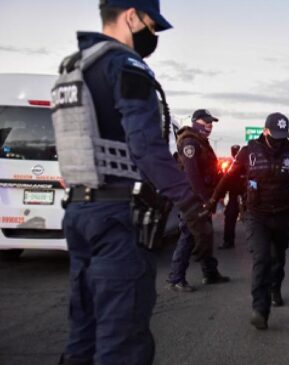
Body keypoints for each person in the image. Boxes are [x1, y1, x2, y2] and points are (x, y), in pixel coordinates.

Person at [52, 2, 213, 364]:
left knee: (84, 332)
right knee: (123, 339)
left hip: (78, 211)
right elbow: (146, 146)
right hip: (116, 216)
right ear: (131, 16)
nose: (152, 36)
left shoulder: (73, 67)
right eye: (151, 26)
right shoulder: (125, 66)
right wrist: (189, 206)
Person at [210, 113, 289, 330]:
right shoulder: (248, 152)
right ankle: (260, 309)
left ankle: (275, 289)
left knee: (277, 258)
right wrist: (213, 200)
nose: (279, 140)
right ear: (265, 131)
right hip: (257, 214)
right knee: (261, 259)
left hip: (284, 214)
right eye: (275, 135)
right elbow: (229, 178)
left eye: (283, 136)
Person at [167, 109, 229, 292]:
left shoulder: (201, 142)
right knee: (189, 235)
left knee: (205, 235)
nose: (209, 126)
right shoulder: (189, 142)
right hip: (192, 198)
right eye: (206, 122)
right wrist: (204, 199)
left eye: (211, 123)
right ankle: (175, 278)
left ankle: (210, 273)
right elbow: (192, 175)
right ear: (196, 122)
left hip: (203, 198)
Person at [220, 144, 243, 249]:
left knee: (254, 220)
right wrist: (221, 195)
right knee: (229, 217)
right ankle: (228, 241)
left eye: (237, 151)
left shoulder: (246, 164)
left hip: (245, 195)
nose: (235, 153)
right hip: (233, 195)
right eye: (234, 151)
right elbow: (223, 181)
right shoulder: (228, 164)